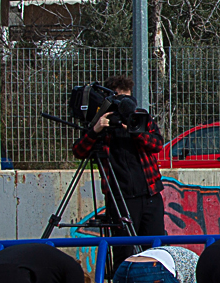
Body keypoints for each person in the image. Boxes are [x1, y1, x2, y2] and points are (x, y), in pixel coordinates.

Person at [71, 75, 168, 239]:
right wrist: (95, 130)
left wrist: (135, 131)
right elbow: (79, 151)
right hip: (120, 198)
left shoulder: (140, 117)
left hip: (150, 194)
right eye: (119, 98)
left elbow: (157, 144)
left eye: (127, 99)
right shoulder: (101, 123)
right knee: (124, 247)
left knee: (154, 246)